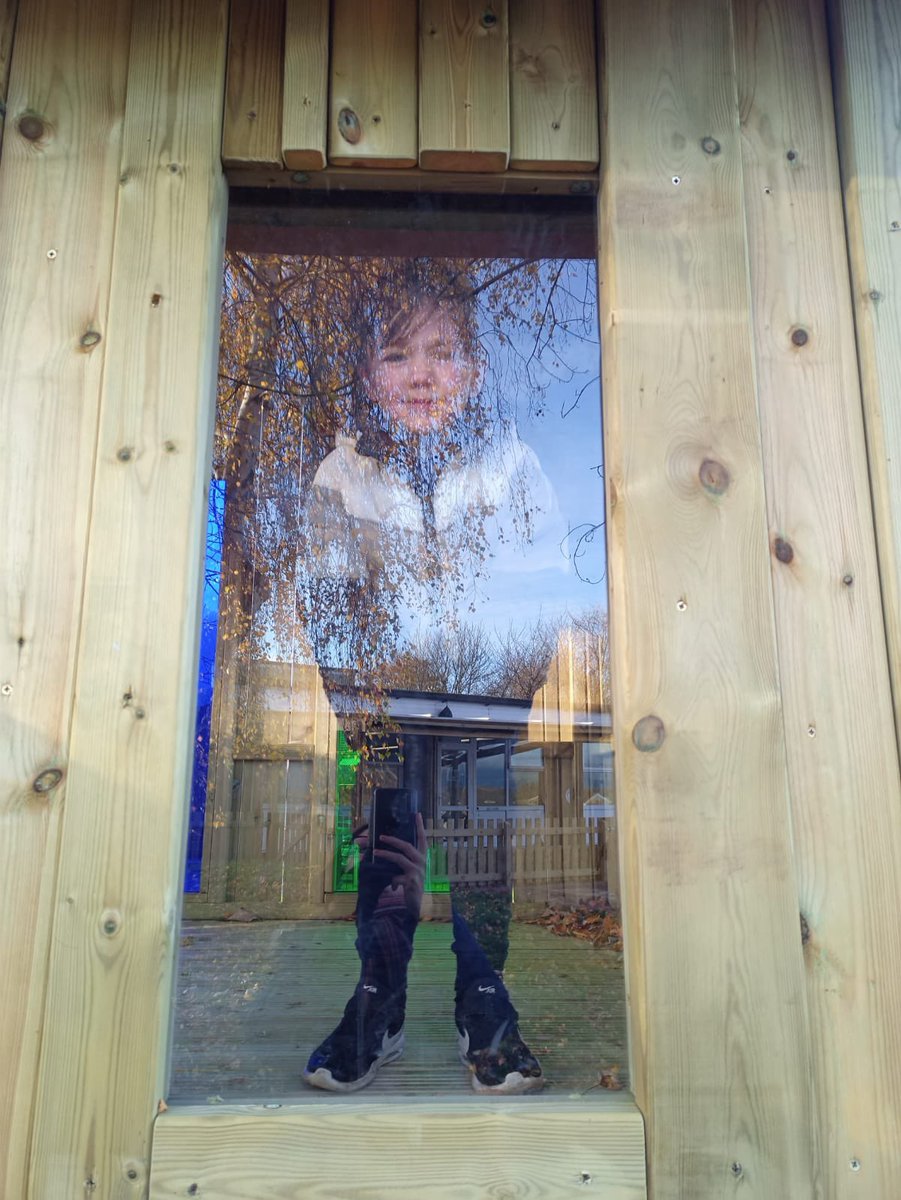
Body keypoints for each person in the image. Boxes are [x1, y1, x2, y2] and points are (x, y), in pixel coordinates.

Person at [301, 275, 551, 1094]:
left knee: (482, 853)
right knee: (388, 853)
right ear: (368, 375)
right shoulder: (344, 475)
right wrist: (360, 707)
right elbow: (326, 600)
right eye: (395, 354)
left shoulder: (510, 465)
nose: (419, 374)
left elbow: (544, 588)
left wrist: (508, 693)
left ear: (473, 371)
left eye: (441, 353)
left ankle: (484, 996)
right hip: (386, 704)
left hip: (483, 700)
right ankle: (380, 999)